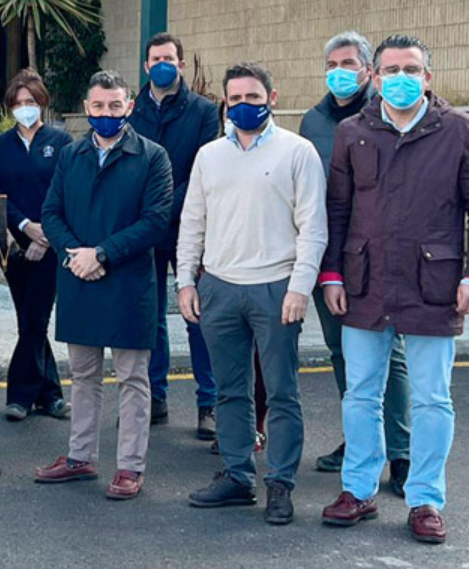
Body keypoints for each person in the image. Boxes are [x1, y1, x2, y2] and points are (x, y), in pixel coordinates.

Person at [319, 35, 469, 545]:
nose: (400, 78)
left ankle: (425, 499)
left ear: (428, 77)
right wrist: (331, 274)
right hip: (364, 283)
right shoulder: (353, 132)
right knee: (360, 395)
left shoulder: (462, 132)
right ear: (373, 78)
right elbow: (337, 209)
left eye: (411, 69)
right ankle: (357, 490)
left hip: (434, 284)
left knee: (431, 400)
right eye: (390, 69)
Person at [179, 62, 327, 526]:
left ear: (273, 98)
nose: (245, 106)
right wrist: (186, 280)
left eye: (254, 98)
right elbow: (193, 222)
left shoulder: (298, 152)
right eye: (236, 99)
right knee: (230, 391)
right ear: (226, 102)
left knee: (282, 393)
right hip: (219, 287)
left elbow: (313, 228)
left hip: (275, 288)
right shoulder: (209, 155)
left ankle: (280, 485)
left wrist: (300, 287)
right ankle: (238, 477)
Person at [33, 71, 172, 501]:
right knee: (83, 374)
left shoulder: (152, 157)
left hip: (128, 282)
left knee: (133, 377)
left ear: (129, 106)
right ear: (87, 109)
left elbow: (155, 220)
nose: (106, 114)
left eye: (115, 106)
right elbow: (51, 213)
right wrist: (77, 254)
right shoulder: (72, 155)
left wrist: (103, 254)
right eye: (98, 107)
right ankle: (80, 457)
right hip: (79, 277)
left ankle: (130, 467)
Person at [299, 31, 411, 481]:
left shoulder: (388, 114)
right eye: (332, 64)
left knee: (391, 352)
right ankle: (360, 439)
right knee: (342, 351)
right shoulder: (313, 122)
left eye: (348, 64)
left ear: (369, 70)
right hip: (330, 256)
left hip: (379, 255)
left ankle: (401, 451)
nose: (339, 73)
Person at [128, 32, 220, 439]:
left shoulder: (203, 111)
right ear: (146, 66)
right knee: (149, 316)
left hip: (190, 226)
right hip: (145, 228)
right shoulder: (131, 108)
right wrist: (149, 213)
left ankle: (209, 404)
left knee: (197, 315)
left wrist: (164, 207)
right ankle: (155, 398)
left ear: (181, 65)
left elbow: (204, 169)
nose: (162, 64)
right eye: (155, 58)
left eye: (169, 57)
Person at [0, 72, 71, 422]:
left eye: (31, 103)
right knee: (29, 320)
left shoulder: (62, 141)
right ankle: (50, 393)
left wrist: (45, 235)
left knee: (35, 317)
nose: (25, 109)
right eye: (19, 103)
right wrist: (25, 228)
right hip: (15, 245)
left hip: (50, 245)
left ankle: (20, 395)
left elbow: (65, 191)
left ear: (43, 104)